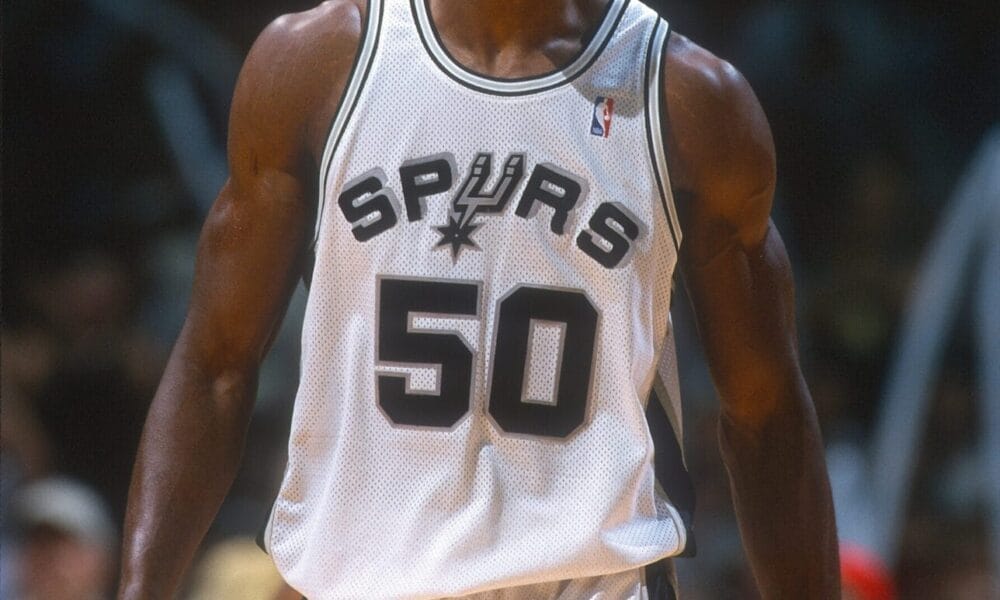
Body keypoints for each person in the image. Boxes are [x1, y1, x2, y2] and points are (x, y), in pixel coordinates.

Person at [118, 1, 839, 598]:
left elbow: (766, 410)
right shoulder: (314, 64)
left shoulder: (691, 100)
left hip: (592, 582)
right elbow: (215, 363)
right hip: (362, 579)